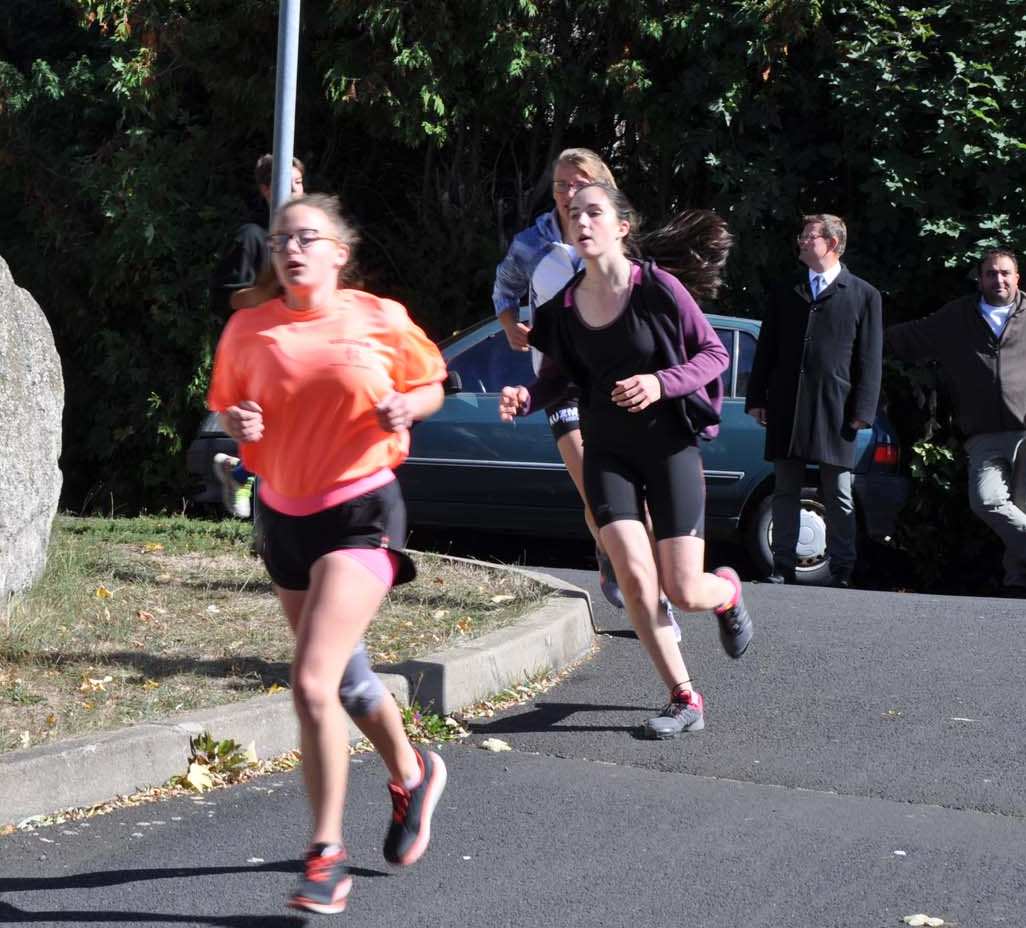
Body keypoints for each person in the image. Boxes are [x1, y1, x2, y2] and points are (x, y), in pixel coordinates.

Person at [208, 192, 448, 914]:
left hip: (361, 510)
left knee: (310, 683)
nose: (291, 249)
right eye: (282, 240)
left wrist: (411, 407)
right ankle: (411, 771)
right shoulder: (249, 329)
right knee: (345, 682)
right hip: (283, 517)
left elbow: (431, 381)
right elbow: (230, 408)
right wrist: (236, 418)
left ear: (340, 252)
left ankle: (326, 856)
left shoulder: (378, 318)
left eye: (308, 238)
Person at [499, 183, 751, 740]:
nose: (581, 221)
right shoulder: (561, 305)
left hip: (668, 448)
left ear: (621, 227)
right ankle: (684, 696)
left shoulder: (657, 288)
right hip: (607, 453)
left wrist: (662, 383)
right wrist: (526, 397)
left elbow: (715, 354)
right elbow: (555, 380)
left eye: (594, 213)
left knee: (684, 590)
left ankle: (727, 593)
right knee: (636, 579)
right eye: (572, 215)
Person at [491, 149, 679, 636]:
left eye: (579, 184)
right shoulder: (533, 244)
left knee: (637, 500)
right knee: (592, 488)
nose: (568, 194)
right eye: (559, 185)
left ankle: (656, 597)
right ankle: (612, 552)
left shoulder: (614, 230)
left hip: (613, 379)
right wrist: (513, 325)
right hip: (559, 380)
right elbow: (504, 289)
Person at [887, 251, 1026, 596]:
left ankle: (1019, 583)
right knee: (985, 500)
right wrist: (860, 336)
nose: (998, 280)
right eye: (990, 274)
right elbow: (908, 337)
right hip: (983, 430)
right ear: (979, 279)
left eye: (1005, 274)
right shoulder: (957, 316)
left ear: (1018, 278)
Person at [746, 215, 883, 587]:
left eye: (809, 236)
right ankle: (782, 566)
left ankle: (842, 569)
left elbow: (869, 359)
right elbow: (768, 349)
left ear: (832, 244)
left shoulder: (863, 294)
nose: (801, 241)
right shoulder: (786, 288)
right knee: (785, 488)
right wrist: (757, 397)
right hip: (788, 405)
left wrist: (863, 412)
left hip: (835, 409)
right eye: (802, 235)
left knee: (838, 493)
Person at [209, 154, 305, 518]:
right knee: (277, 431)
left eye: (300, 183)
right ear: (268, 190)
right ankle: (252, 488)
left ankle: (239, 473)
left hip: (297, 347)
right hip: (257, 352)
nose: (298, 190)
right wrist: (269, 291)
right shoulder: (252, 237)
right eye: (290, 184)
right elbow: (223, 299)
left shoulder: (306, 239)